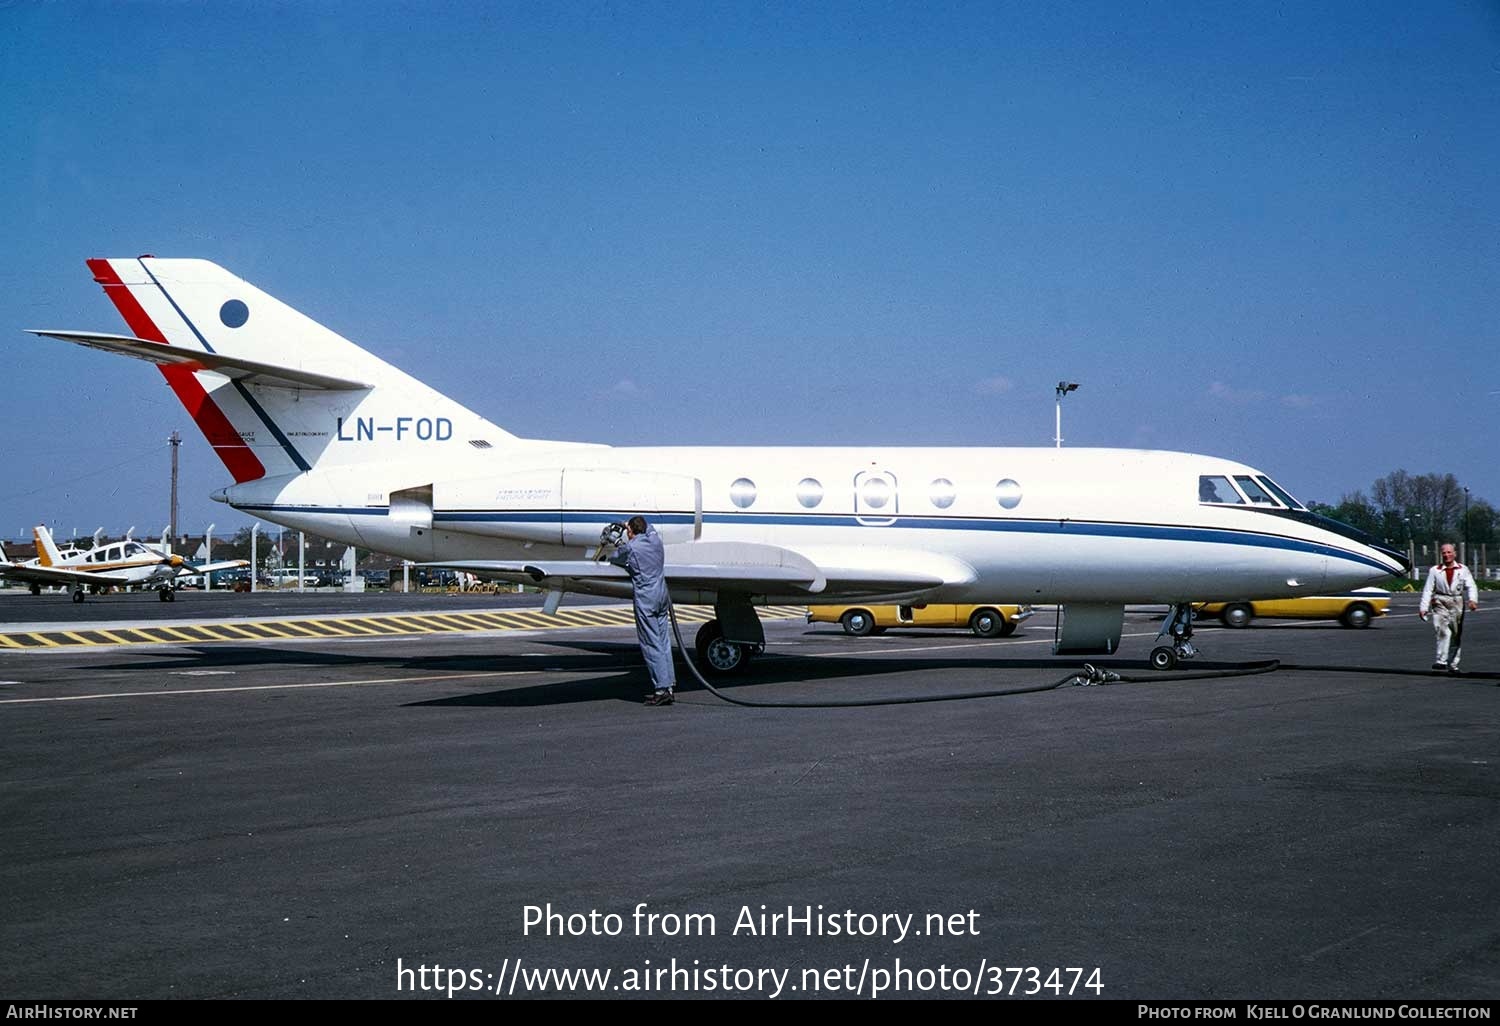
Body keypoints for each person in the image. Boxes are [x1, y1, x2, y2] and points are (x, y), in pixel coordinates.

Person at [608, 515, 677, 705]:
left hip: (646, 598)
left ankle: (661, 689)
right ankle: (669, 684)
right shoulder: (655, 541)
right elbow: (650, 527)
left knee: (650, 643)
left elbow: (615, 558)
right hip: (662, 596)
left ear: (631, 532)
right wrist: (627, 524)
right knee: (663, 641)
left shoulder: (631, 548)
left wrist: (616, 541)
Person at [1418, 542, 1479, 673]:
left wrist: (1473, 600)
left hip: (1456, 601)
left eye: (1449, 552)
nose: (1446, 555)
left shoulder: (1463, 570)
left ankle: (1453, 663)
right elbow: (1428, 589)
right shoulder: (1435, 570)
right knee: (1442, 630)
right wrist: (1423, 607)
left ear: (1455, 554)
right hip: (1440, 600)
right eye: (1444, 553)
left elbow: (1471, 586)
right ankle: (1441, 661)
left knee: (1455, 633)